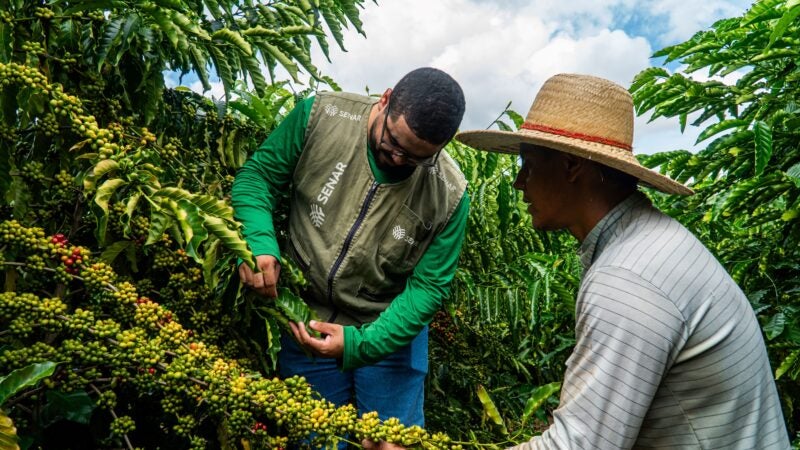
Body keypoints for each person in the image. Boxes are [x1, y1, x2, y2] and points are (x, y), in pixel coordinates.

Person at [367, 73, 791, 449]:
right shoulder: (647, 242)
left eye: (528, 165)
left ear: (571, 166)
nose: (518, 183)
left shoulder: (628, 279)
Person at [231, 67, 469, 428]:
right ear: (385, 99)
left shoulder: (450, 193)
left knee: (390, 440)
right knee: (316, 436)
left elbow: (428, 288)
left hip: (389, 329)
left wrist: (363, 344)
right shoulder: (322, 116)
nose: (400, 160)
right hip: (307, 318)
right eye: (394, 143)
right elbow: (258, 178)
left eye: (418, 158)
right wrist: (259, 242)